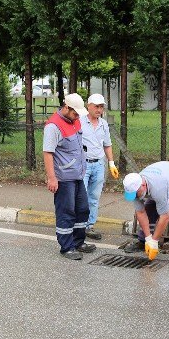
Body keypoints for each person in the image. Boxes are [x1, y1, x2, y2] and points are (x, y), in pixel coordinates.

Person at [43, 93, 97, 260]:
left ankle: (78, 242)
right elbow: (48, 153)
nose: (76, 117)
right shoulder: (53, 126)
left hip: (78, 175)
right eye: (74, 113)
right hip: (64, 177)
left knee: (82, 209)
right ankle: (66, 247)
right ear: (66, 108)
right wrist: (52, 178)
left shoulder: (75, 120)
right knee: (66, 212)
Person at [122, 161, 169, 267]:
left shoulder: (158, 187)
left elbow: (165, 217)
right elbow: (140, 212)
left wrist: (154, 241)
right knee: (148, 210)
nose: (135, 197)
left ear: (143, 185)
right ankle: (143, 242)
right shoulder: (134, 187)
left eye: (136, 194)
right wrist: (148, 239)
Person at [79, 93, 118, 241]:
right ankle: (79, 225)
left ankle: (89, 225)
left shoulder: (103, 124)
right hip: (84, 164)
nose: (99, 110)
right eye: (96, 106)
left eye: (101, 107)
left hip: (98, 164)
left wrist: (111, 163)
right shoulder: (80, 122)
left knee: (94, 197)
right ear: (88, 106)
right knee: (81, 195)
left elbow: (107, 145)